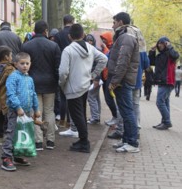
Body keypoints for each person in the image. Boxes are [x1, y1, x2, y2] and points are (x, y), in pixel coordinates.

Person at [59, 23, 107, 153]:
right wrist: (93, 75)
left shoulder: (68, 50)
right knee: (81, 114)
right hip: (85, 85)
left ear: (69, 36)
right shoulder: (90, 48)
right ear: (83, 35)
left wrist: (61, 83)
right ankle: (82, 140)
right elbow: (104, 59)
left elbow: (63, 71)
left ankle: (84, 142)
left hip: (73, 87)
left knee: (77, 115)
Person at [21, 20, 61, 150]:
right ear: (46, 31)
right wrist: (57, 81)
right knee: (49, 111)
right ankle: (50, 140)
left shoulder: (27, 46)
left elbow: (22, 66)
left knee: (36, 111)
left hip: (33, 83)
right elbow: (57, 67)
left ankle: (38, 141)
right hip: (50, 83)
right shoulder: (54, 46)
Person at [1, 52, 40, 171]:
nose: (25, 66)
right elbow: (11, 93)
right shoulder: (13, 77)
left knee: (21, 134)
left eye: (27, 63)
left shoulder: (29, 79)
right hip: (15, 111)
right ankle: (6, 157)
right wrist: (18, 107)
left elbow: (33, 94)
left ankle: (17, 155)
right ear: (15, 64)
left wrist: (36, 109)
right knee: (11, 133)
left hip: (27, 112)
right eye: (22, 63)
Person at [108, 12, 140, 153]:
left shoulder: (126, 37)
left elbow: (123, 61)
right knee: (126, 111)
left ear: (120, 22)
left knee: (127, 112)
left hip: (123, 81)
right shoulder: (125, 36)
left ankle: (132, 143)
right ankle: (127, 140)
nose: (112, 25)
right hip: (123, 80)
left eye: (114, 22)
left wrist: (115, 80)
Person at [149, 37, 180, 130]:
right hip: (161, 82)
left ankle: (167, 122)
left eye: (162, 43)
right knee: (165, 102)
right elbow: (152, 62)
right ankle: (165, 122)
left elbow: (175, 55)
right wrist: (152, 51)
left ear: (166, 44)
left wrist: (169, 46)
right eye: (159, 43)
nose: (159, 45)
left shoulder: (170, 54)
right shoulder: (160, 55)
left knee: (159, 102)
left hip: (168, 81)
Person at [54, 14, 77, 136]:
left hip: (62, 66)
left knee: (62, 96)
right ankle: (70, 121)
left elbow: (57, 52)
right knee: (72, 96)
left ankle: (62, 120)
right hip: (73, 68)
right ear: (72, 21)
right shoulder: (75, 34)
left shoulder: (58, 35)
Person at [85, 34, 103, 125]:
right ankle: (97, 116)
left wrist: (96, 78)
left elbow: (99, 66)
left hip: (95, 78)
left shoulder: (95, 51)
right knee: (95, 97)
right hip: (94, 78)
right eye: (87, 40)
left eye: (90, 40)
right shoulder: (92, 50)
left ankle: (95, 117)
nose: (89, 42)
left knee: (91, 97)